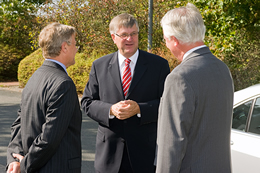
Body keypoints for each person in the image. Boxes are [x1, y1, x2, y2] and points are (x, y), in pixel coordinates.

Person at [81, 13, 170, 173]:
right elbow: (87, 102)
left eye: (134, 34)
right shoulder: (99, 66)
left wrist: (140, 109)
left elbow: (167, 104)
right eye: (124, 35)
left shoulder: (159, 65)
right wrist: (110, 110)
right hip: (109, 156)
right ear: (113, 37)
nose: (130, 39)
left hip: (145, 156)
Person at [155, 3, 234, 173]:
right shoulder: (222, 68)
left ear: (174, 40)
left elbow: (171, 143)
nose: (167, 45)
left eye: (166, 39)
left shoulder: (179, 77)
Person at [6, 23, 82, 173]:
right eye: (74, 43)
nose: (76, 49)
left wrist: (15, 158)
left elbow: (18, 124)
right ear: (64, 47)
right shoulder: (64, 84)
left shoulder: (35, 77)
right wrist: (24, 164)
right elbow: (49, 138)